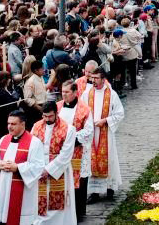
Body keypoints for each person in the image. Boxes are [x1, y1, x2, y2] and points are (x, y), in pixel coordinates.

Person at [0, 110, 45, 225]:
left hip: (23, 195)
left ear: (23, 124)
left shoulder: (35, 143)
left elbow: (38, 167)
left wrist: (17, 168)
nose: (9, 127)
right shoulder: (4, 139)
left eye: (13, 124)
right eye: (8, 123)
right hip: (3, 190)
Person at [31, 101, 76, 225]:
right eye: (44, 116)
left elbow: (66, 154)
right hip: (39, 169)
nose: (46, 119)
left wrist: (49, 170)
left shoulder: (68, 129)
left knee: (57, 204)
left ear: (56, 113)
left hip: (58, 170)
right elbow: (31, 148)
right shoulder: (36, 126)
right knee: (39, 202)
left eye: (50, 116)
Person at [86, 67, 124, 203]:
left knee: (109, 159)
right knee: (92, 160)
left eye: (96, 78)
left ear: (103, 79)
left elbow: (120, 113)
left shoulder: (111, 94)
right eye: (92, 78)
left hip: (105, 133)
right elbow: (82, 111)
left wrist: (105, 120)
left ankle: (109, 189)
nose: (93, 81)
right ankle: (94, 192)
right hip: (91, 133)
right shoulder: (87, 93)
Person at [57, 80, 91, 221]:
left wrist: (71, 139)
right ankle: (62, 210)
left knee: (79, 181)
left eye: (67, 92)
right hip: (60, 150)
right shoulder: (57, 106)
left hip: (78, 150)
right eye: (62, 92)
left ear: (75, 92)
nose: (63, 95)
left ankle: (78, 212)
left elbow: (89, 130)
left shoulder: (85, 109)